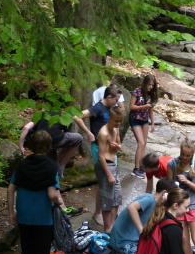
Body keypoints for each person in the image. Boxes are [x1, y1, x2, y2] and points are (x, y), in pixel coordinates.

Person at [7, 131, 62, 254]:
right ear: (49, 147)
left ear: (30, 145)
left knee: (27, 250)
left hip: (24, 214)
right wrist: (60, 202)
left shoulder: (22, 165)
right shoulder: (51, 167)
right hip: (42, 216)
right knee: (42, 251)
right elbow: (52, 194)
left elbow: (11, 188)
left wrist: (11, 212)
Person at [80, 86, 122, 226]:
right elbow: (77, 116)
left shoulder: (112, 111)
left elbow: (117, 135)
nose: (117, 102)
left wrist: (117, 145)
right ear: (109, 97)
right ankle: (98, 212)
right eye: (116, 99)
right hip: (99, 147)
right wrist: (88, 132)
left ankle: (110, 215)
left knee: (111, 184)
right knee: (103, 182)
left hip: (110, 151)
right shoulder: (98, 107)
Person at [17, 110, 94, 179]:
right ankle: (61, 167)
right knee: (78, 138)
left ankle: (54, 172)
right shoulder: (62, 116)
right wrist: (88, 133)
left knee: (51, 159)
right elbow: (67, 131)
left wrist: (21, 145)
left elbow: (26, 127)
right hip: (55, 139)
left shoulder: (40, 115)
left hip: (41, 141)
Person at [95, 105, 125, 233]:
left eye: (120, 121)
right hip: (105, 166)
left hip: (114, 164)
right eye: (116, 121)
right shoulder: (103, 133)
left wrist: (117, 146)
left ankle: (112, 226)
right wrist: (109, 175)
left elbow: (119, 145)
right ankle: (107, 228)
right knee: (107, 199)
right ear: (109, 118)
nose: (118, 123)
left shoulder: (116, 129)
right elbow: (100, 156)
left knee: (117, 198)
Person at [129, 74, 158, 178]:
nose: (150, 87)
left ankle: (142, 166)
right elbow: (131, 106)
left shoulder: (151, 95)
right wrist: (143, 106)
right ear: (145, 83)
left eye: (152, 85)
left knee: (144, 143)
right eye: (149, 84)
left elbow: (151, 110)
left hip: (145, 120)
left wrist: (152, 123)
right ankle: (136, 169)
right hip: (135, 119)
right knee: (141, 143)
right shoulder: (137, 91)